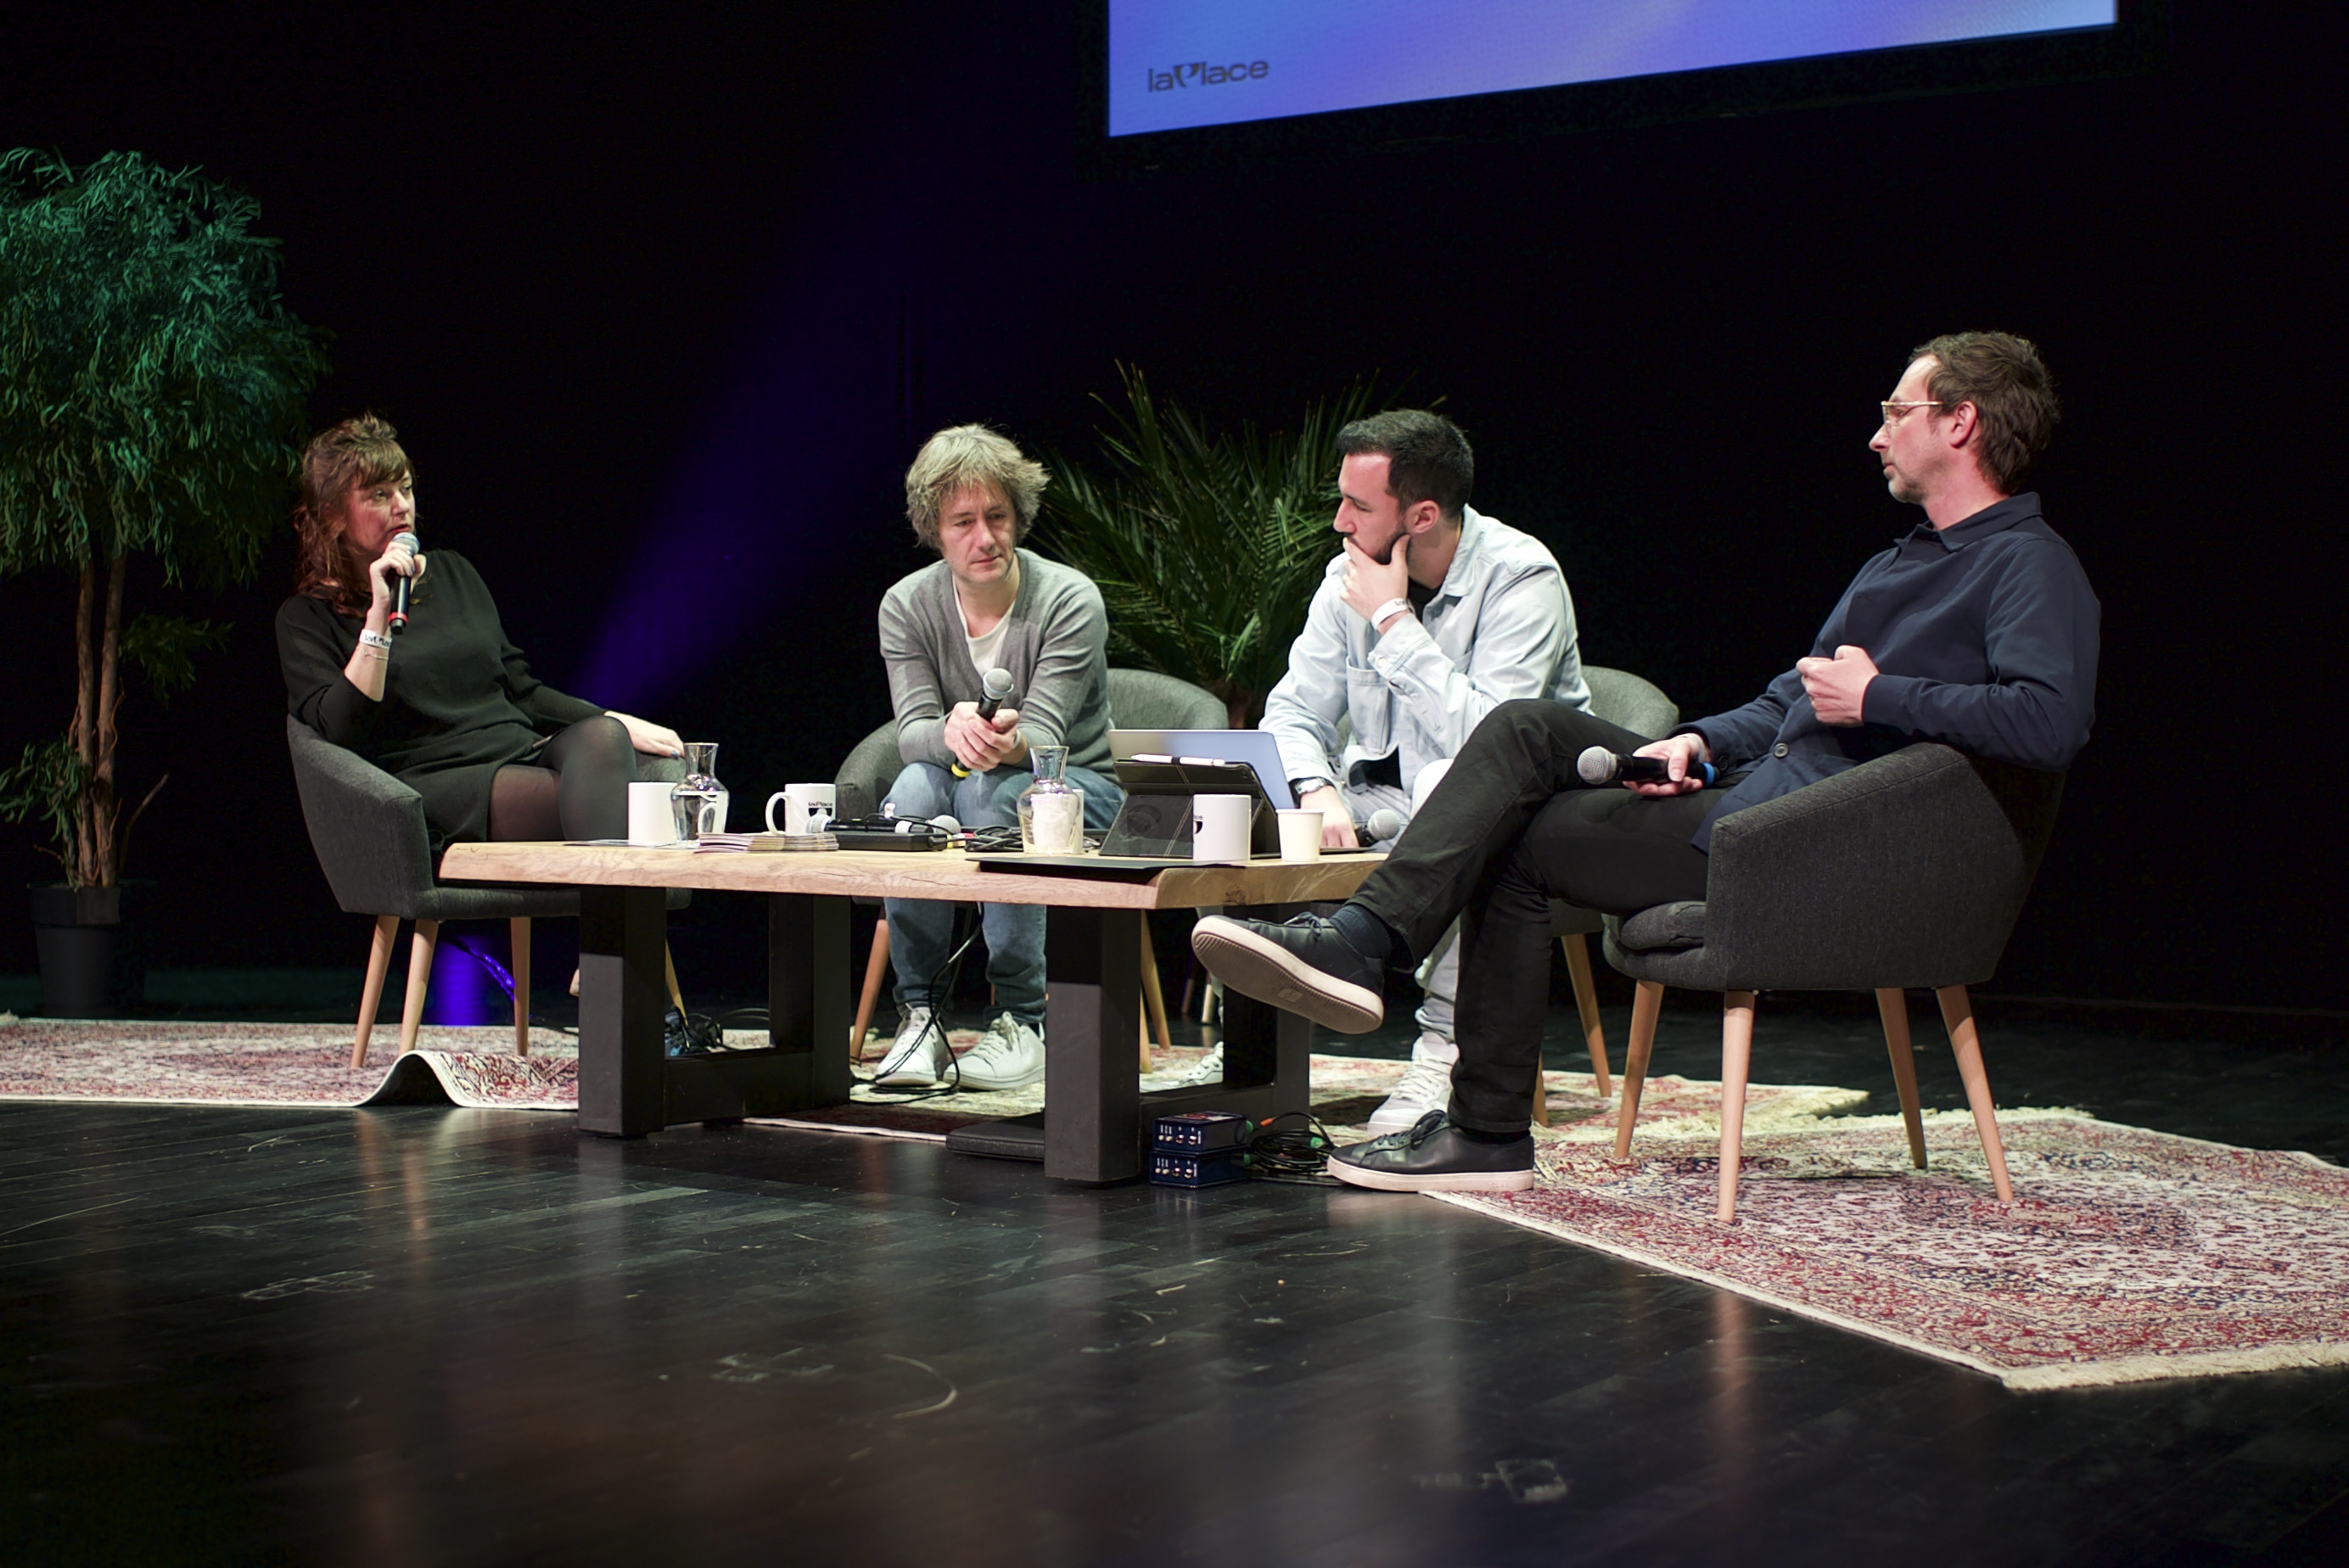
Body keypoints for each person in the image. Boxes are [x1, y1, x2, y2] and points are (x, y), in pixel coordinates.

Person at [1191, 332, 2099, 1191]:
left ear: (1959, 421)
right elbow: (1786, 700)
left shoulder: (2028, 564)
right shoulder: (1898, 563)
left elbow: (2050, 723)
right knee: (1526, 733)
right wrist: (1696, 741)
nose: (1876, 434)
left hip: (1815, 842)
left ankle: (1450, 1078)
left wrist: (1879, 697)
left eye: (1896, 412)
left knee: (1514, 824)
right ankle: (1397, 1000)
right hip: (1756, 800)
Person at [1254, 408, 1587, 1132]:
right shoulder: (1348, 577)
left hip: (1523, 815)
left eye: (1359, 505)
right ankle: (1257, 1059)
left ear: (1422, 516)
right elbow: (1292, 711)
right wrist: (1315, 788)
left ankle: (1445, 1053)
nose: (1340, 522)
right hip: (1388, 805)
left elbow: (1497, 745)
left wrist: (1393, 623)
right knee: (1252, 807)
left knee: (1449, 789)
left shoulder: (1520, 577)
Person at [278, 414, 681, 857]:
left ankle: (610, 902)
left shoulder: (454, 572)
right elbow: (340, 732)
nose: (402, 506)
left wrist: (615, 718)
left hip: (516, 749)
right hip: (439, 780)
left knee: (604, 737)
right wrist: (378, 616)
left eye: (406, 489)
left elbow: (521, 691)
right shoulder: (306, 618)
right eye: (379, 495)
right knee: (624, 809)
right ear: (333, 514)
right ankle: (617, 902)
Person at [869, 424, 1122, 1092]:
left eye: (998, 517)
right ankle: (919, 1016)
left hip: (1081, 787)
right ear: (934, 529)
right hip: (971, 783)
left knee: (999, 794)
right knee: (914, 791)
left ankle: (1022, 1020)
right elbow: (911, 731)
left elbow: (1046, 737)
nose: (985, 537)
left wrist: (1007, 744)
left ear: (1018, 517)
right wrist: (952, 733)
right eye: (963, 522)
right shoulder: (907, 604)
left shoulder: (1068, 598)